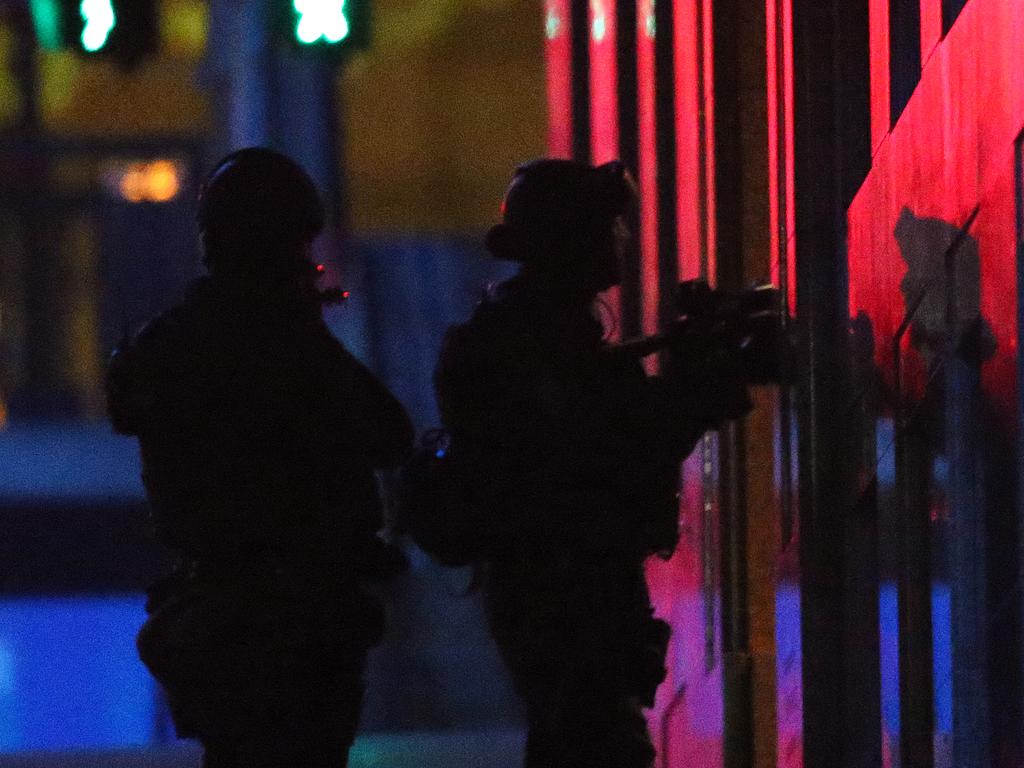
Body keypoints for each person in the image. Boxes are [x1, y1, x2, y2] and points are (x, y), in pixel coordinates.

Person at [432, 159, 752, 768]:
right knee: (593, 744)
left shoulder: (535, 336)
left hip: (565, 582)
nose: (616, 244)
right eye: (601, 229)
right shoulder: (525, 344)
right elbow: (598, 444)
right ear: (567, 240)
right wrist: (688, 396)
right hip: (561, 584)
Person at [107, 148, 413, 768]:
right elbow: (389, 434)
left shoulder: (167, 344)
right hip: (304, 621)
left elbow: (133, 409)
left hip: (218, 617)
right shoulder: (293, 348)